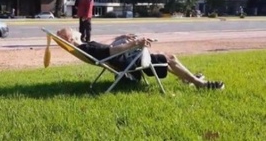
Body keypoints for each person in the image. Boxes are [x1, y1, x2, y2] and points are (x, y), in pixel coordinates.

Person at [56, 27, 225, 90]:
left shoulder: (86, 47)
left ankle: (189, 79)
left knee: (163, 58)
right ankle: (200, 84)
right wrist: (136, 43)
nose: (77, 30)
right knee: (169, 58)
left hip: (123, 60)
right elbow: (113, 50)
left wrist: (120, 36)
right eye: (73, 30)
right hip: (130, 62)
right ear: (71, 39)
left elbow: (106, 48)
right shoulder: (87, 47)